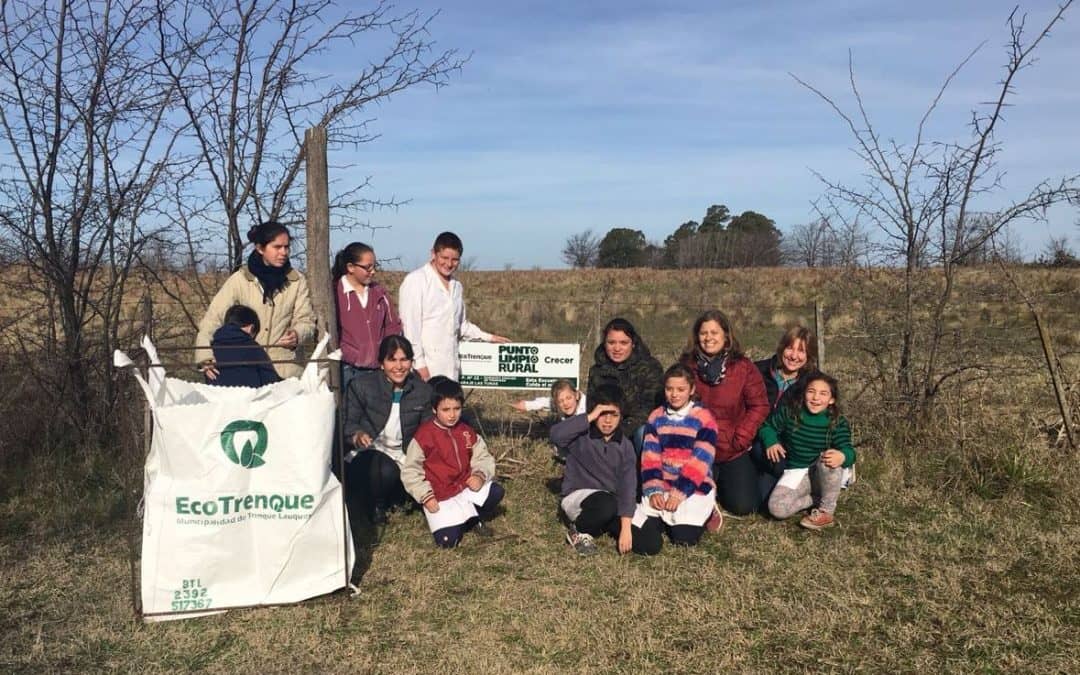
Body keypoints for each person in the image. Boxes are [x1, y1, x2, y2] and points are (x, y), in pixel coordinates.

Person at [195, 221, 316, 379]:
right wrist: (204, 356)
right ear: (260, 248)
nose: (284, 252)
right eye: (277, 247)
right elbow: (213, 319)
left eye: (286, 247)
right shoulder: (240, 280)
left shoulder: (296, 280)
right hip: (247, 370)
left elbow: (306, 320)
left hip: (286, 372)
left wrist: (298, 334)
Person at [680, 310, 769, 516]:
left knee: (744, 506)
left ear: (726, 336)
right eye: (703, 333)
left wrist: (742, 437)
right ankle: (709, 487)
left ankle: (730, 481)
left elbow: (760, 405)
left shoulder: (743, 367)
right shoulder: (687, 366)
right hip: (697, 448)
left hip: (731, 448)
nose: (708, 338)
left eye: (714, 332)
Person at [401, 378, 505, 548]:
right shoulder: (424, 435)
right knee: (448, 542)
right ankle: (461, 520)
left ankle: (473, 517)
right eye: (446, 409)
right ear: (435, 409)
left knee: (495, 491)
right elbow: (410, 471)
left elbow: (483, 457)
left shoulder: (466, 430)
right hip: (439, 495)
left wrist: (479, 474)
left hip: (465, 487)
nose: (452, 415)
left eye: (456, 409)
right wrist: (425, 496)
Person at [342, 335, 432, 525]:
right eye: (392, 360)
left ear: (411, 362)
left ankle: (400, 497)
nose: (399, 367)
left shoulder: (422, 392)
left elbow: (428, 431)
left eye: (404, 360)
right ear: (381, 363)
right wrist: (357, 435)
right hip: (369, 452)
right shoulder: (362, 386)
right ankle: (377, 506)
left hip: (404, 454)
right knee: (383, 468)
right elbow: (348, 423)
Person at [631, 364, 719, 555]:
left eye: (681, 389)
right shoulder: (656, 417)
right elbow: (650, 458)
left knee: (684, 538)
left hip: (691, 485)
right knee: (647, 527)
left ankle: (708, 511)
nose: (674, 394)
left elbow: (700, 461)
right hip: (663, 483)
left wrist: (679, 493)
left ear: (692, 390)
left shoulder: (703, 418)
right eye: (669, 389)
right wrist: (654, 490)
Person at [398, 231, 510, 380]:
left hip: (451, 367)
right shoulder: (416, 281)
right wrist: (419, 365)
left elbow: (461, 325)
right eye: (444, 258)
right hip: (425, 370)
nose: (449, 264)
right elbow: (410, 328)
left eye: (455, 259)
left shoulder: (457, 286)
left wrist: (489, 337)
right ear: (433, 254)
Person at [758, 372, 856, 530]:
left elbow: (849, 451)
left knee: (829, 459)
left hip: (823, 469)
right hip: (797, 470)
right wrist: (772, 441)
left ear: (832, 400)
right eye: (811, 391)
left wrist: (843, 456)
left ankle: (826, 511)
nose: (816, 398)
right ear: (804, 394)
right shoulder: (790, 412)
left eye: (823, 394)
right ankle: (816, 497)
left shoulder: (836, 421)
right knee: (777, 509)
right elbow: (767, 426)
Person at [549, 384, 636, 556]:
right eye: (603, 414)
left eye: (614, 414)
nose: (608, 421)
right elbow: (555, 435)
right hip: (579, 497)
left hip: (610, 502)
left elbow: (628, 486)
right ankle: (577, 530)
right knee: (606, 504)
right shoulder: (581, 434)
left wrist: (626, 528)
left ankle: (601, 526)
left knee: (649, 542)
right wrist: (590, 416)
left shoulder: (625, 446)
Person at [750, 325, 820, 500]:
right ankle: (808, 481)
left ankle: (813, 480)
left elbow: (826, 415)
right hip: (757, 440)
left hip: (790, 445)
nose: (794, 356)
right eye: (790, 348)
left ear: (809, 355)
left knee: (764, 497)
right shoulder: (757, 371)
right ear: (782, 347)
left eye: (801, 351)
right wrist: (768, 439)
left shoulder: (813, 381)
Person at [333, 242, 402, 393]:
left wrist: (386, 353)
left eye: (374, 266)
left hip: (377, 370)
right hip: (348, 369)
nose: (373, 271)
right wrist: (349, 354)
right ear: (351, 267)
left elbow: (392, 326)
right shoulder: (335, 293)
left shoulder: (379, 293)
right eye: (367, 267)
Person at [585, 318, 663, 446]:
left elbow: (650, 408)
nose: (617, 348)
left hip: (636, 428)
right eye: (611, 342)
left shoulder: (650, 367)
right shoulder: (596, 370)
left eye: (623, 343)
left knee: (642, 432)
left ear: (633, 344)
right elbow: (592, 407)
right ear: (604, 343)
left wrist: (620, 433)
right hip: (605, 428)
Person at [205, 304, 281, 388]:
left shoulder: (209, 351)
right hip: (249, 399)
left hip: (216, 398)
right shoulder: (253, 348)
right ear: (251, 328)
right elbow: (270, 381)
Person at [512, 378, 586, 461]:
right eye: (561, 401)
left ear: (577, 395)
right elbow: (545, 402)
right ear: (556, 403)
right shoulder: (560, 406)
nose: (565, 403)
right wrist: (527, 405)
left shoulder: (588, 407)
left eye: (569, 398)